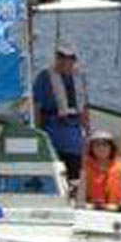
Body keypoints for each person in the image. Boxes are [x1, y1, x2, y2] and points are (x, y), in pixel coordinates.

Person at [32, 43, 88, 182]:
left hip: (74, 132)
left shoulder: (79, 77)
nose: (65, 61)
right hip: (53, 128)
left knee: (74, 167)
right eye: (61, 56)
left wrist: (87, 131)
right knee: (57, 165)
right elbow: (37, 106)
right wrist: (37, 132)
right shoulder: (44, 77)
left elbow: (84, 107)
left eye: (69, 57)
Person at [84, 129, 121, 210]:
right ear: (91, 148)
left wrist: (120, 206)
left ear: (111, 148)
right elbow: (79, 197)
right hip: (91, 213)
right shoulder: (85, 170)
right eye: (97, 145)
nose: (101, 148)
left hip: (116, 212)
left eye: (105, 145)